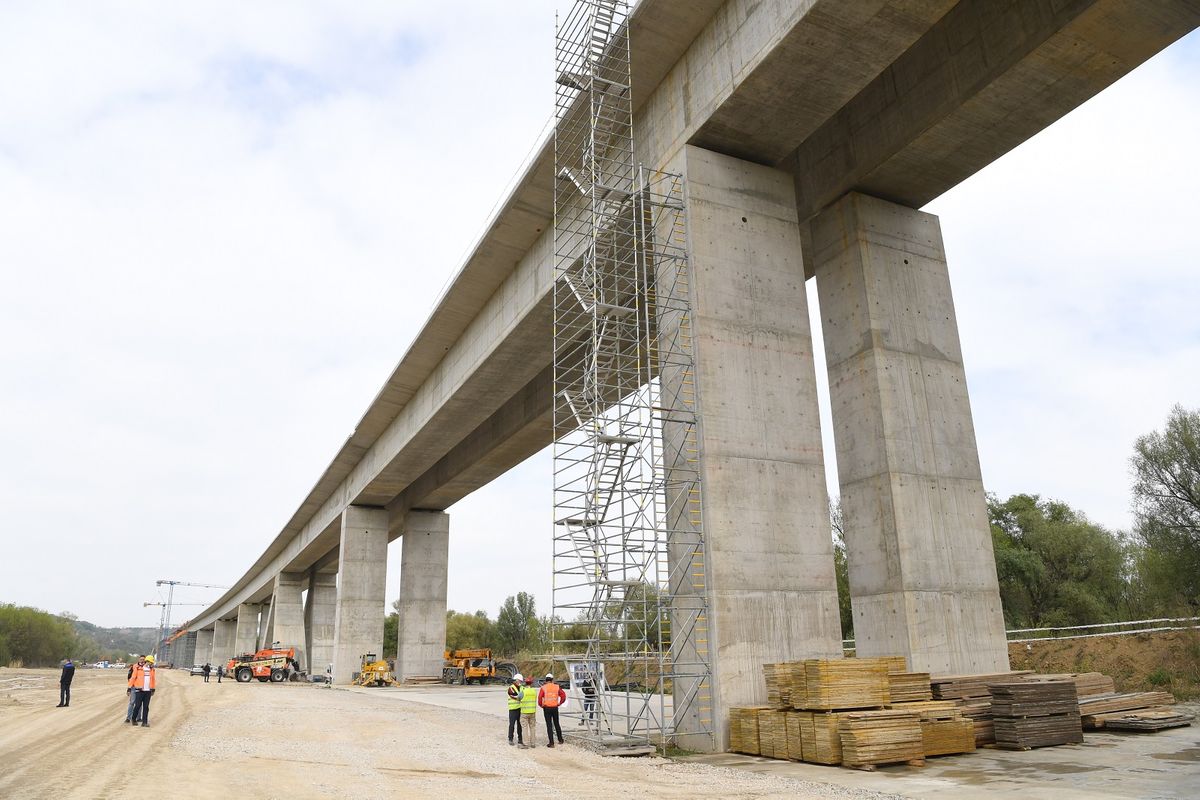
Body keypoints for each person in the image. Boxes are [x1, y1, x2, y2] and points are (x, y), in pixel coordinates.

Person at [538, 672, 567, 748]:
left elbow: (540, 698)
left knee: (549, 725)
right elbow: (563, 695)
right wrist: (560, 703)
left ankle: (551, 743)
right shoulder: (557, 687)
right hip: (555, 707)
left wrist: (541, 705)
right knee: (556, 723)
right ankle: (560, 740)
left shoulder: (543, 687)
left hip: (546, 708)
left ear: (546, 680)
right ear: (552, 679)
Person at [129, 654, 157, 728]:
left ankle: (144, 722)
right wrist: (129, 688)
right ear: (147, 661)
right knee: (137, 706)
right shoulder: (138, 669)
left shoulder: (152, 670)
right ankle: (133, 719)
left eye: (152, 663)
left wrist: (153, 688)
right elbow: (133, 678)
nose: (151, 664)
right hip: (139, 690)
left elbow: (153, 679)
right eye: (151, 662)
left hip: (148, 691)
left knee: (146, 707)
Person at [519, 675, 538, 749]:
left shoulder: (523, 691)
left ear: (525, 683)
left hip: (524, 712)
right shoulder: (534, 691)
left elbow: (518, 698)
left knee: (524, 727)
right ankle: (533, 743)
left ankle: (526, 744)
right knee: (532, 727)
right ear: (531, 683)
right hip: (533, 712)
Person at [506, 673, 525, 747]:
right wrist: (520, 697)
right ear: (516, 680)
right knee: (512, 724)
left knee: (519, 725)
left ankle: (520, 739)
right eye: (519, 680)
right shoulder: (511, 688)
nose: (520, 682)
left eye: (521, 681)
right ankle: (510, 738)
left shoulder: (522, 688)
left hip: (520, 708)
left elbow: (524, 695)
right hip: (513, 709)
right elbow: (513, 696)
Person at [125, 656, 144, 723]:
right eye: (141, 659)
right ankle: (128, 718)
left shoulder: (146, 668)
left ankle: (138, 718)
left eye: (143, 660)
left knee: (139, 703)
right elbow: (129, 677)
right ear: (139, 659)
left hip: (141, 688)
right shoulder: (134, 666)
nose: (142, 660)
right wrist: (129, 687)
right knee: (132, 702)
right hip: (133, 687)